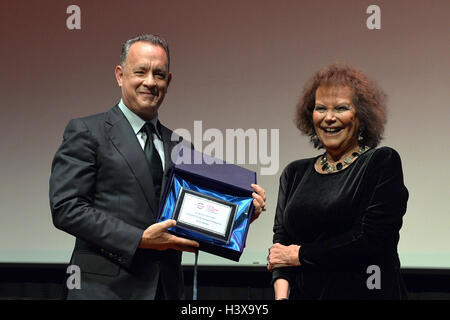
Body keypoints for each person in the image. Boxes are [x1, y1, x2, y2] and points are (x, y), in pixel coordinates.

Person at [49, 34, 266, 300]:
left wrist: (241, 215)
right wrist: (138, 238)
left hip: (166, 289)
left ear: (169, 81)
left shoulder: (181, 146)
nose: (150, 82)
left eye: (159, 74)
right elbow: (66, 208)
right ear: (120, 75)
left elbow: (194, 220)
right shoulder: (87, 131)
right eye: (140, 72)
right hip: (103, 291)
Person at [267, 63, 409, 300]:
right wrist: (281, 297)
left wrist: (300, 255)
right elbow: (281, 246)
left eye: (341, 108)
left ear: (361, 116)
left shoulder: (381, 162)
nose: (329, 118)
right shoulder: (294, 173)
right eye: (320, 108)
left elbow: (370, 240)